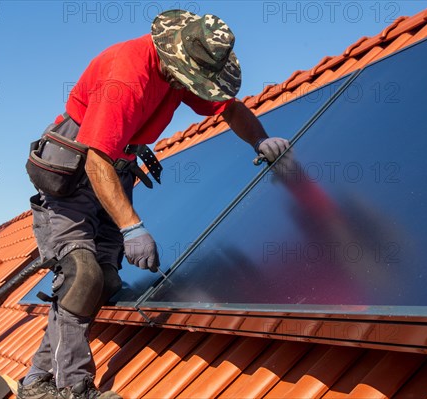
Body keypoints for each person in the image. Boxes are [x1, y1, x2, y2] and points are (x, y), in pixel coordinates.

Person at [19, 9, 290, 399]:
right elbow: (96, 161)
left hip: (118, 169)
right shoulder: (126, 76)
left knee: (103, 282)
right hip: (78, 174)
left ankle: (35, 381)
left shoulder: (181, 67)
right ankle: (73, 389)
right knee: (81, 273)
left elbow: (227, 106)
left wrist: (260, 140)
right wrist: (132, 226)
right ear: (173, 56)